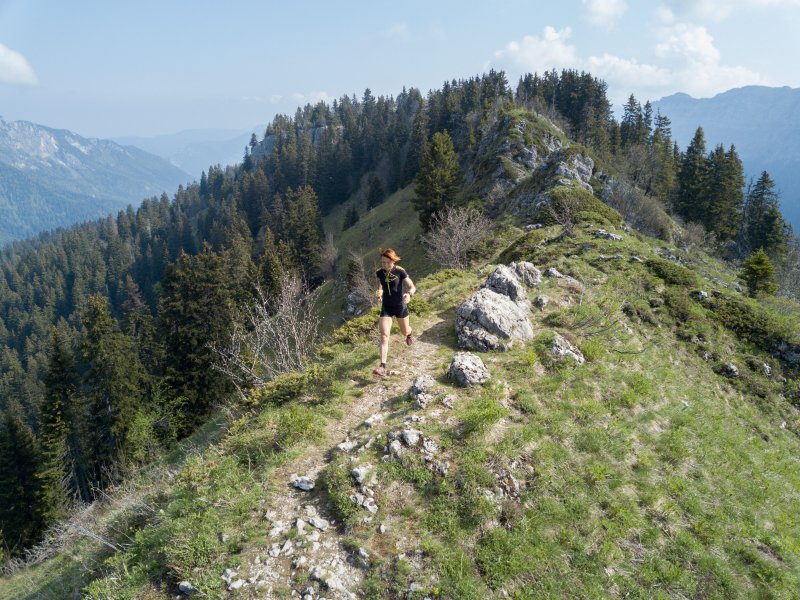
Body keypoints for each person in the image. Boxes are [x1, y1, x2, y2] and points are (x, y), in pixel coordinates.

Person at [372, 248, 416, 377]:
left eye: (388, 263)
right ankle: (382, 366)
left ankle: (409, 333)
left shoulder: (400, 271)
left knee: (404, 331)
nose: (385, 265)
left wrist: (409, 294)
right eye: (383, 263)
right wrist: (379, 293)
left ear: (393, 261)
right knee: (384, 335)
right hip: (386, 306)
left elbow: (412, 286)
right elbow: (379, 285)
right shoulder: (379, 273)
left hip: (400, 306)